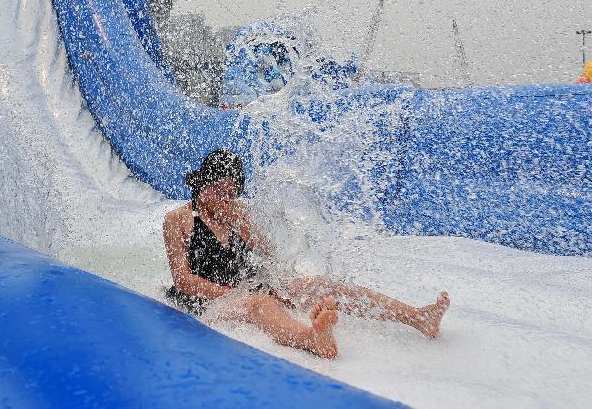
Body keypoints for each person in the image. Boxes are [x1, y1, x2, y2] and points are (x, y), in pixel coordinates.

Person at [163, 149, 450, 359]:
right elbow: (183, 280)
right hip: (206, 301)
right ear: (202, 183)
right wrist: (232, 292)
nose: (223, 199)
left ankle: (417, 317)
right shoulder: (179, 219)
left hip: (245, 286)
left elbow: (267, 256)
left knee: (320, 285)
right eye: (217, 191)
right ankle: (311, 339)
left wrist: (245, 231)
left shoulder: (237, 212)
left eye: (230, 193)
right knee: (258, 302)